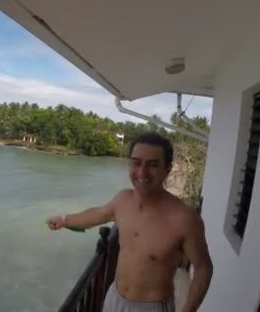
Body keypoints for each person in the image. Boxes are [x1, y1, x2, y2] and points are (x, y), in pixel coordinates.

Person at [47, 132, 213, 312]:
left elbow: (203, 268)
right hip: (114, 298)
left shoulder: (184, 219)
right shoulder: (122, 200)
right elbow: (96, 214)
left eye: (153, 165)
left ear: (168, 168)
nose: (142, 172)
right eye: (136, 162)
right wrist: (64, 219)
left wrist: (188, 309)